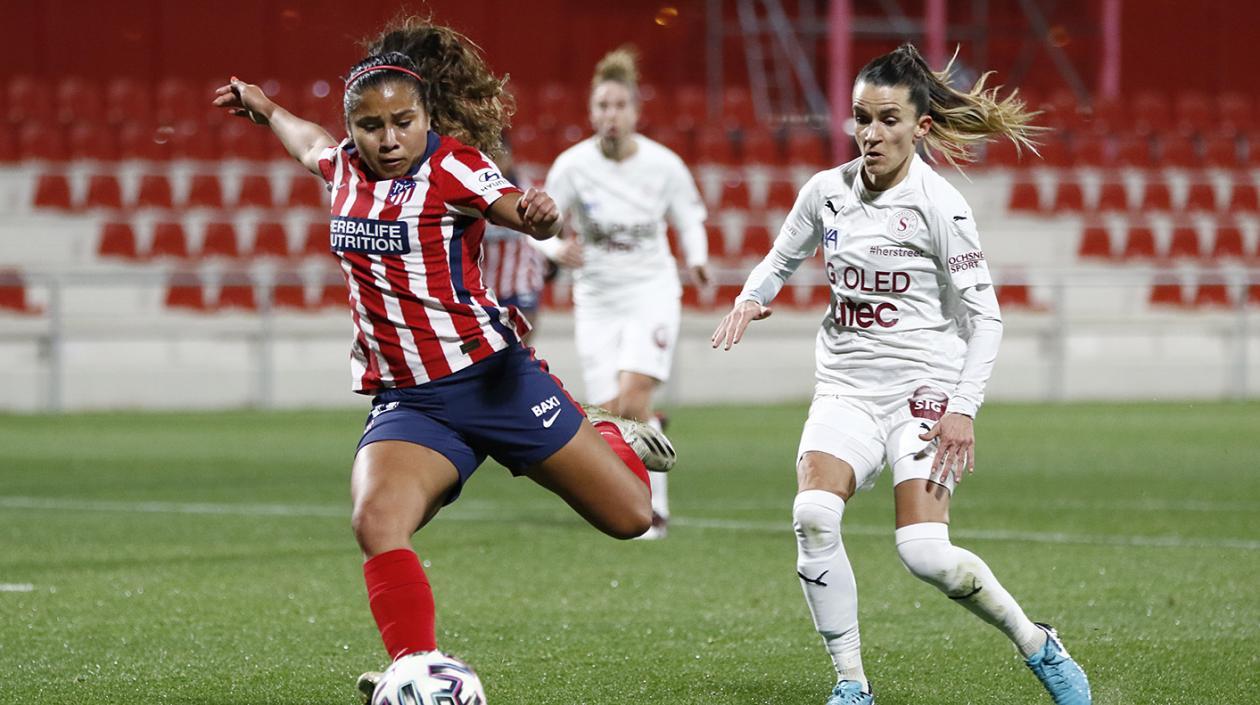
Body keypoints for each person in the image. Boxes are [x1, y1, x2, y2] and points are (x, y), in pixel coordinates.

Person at [212, 17, 677, 698]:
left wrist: (540, 216)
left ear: (427, 115)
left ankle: (607, 432)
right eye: (372, 126)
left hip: (496, 381)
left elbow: (511, 205)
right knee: (377, 521)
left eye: (404, 120)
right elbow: (308, 139)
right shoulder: (341, 167)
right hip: (413, 403)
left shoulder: (453, 164)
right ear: (355, 129)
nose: (390, 137)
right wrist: (267, 108)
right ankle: (415, 667)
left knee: (632, 516)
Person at [711, 44, 1091, 705]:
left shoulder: (940, 206)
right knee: (812, 513)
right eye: (862, 117)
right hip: (846, 388)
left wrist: (963, 407)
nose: (871, 133)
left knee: (925, 553)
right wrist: (749, 296)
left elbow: (987, 317)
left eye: (888, 119)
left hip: (923, 393)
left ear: (922, 127)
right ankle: (852, 684)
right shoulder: (825, 192)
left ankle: (1037, 642)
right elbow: (778, 258)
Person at [539, 46, 709, 539]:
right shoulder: (571, 166)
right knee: (613, 412)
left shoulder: (664, 165)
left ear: (636, 111)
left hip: (651, 291)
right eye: (602, 107)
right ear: (591, 113)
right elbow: (541, 223)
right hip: (596, 300)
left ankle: (650, 510)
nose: (610, 115)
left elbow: (689, 215)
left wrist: (696, 258)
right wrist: (554, 249)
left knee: (631, 398)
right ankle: (635, 503)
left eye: (619, 106)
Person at [480, 143, 548, 341]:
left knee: (520, 349)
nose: (496, 162)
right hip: (485, 286)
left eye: (500, 155)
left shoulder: (529, 190)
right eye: (490, 156)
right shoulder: (472, 193)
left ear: (510, 156)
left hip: (522, 284)